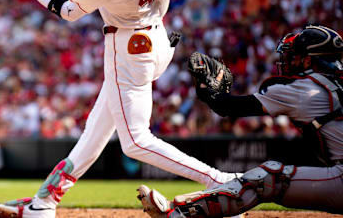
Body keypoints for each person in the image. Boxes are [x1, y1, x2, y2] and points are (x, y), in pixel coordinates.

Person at [0, 0, 237, 218]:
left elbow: (68, 11)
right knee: (95, 131)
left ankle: (225, 184)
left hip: (128, 49)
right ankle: (43, 203)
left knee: (135, 141)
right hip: (157, 38)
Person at [138, 24, 343, 217]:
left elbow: (226, 106)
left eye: (296, 57)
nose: (290, 62)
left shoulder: (305, 89)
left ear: (309, 61)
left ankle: (178, 213)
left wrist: (207, 90)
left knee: (267, 178)